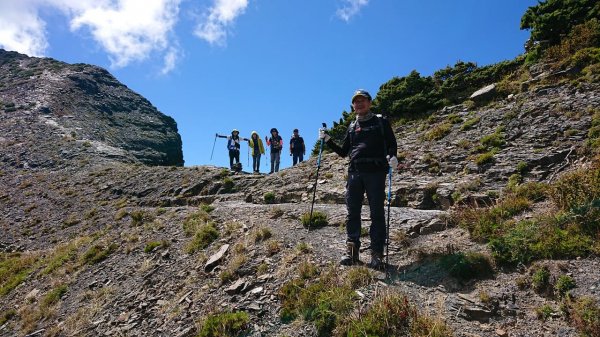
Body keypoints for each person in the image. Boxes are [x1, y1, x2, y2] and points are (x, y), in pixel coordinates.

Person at [319, 89, 398, 269]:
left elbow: (392, 144)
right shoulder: (352, 126)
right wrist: (328, 139)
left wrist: (393, 156)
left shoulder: (381, 122)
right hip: (354, 173)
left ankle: (376, 255)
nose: (359, 103)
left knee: (376, 213)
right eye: (356, 101)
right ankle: (352, 253)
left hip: (376, 172)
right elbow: (343, 152)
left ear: (369, 102)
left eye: (363, 100)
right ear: (353, 106)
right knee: (352, 212)